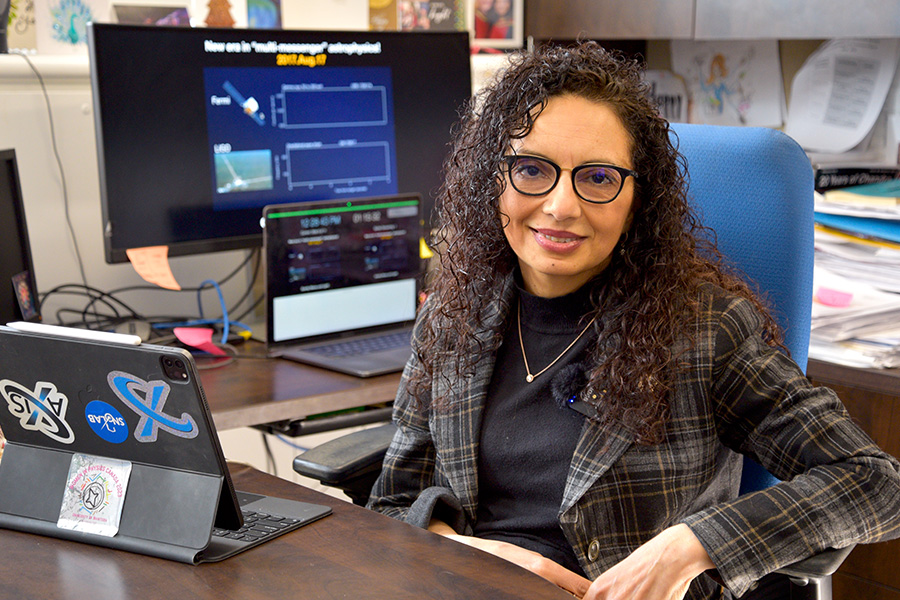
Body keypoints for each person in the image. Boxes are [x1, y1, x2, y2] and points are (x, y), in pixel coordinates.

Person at [366, 42, 900, 600]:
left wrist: (693, 546)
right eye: (530, 169)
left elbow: (873, 480)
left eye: (597, 178)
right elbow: (394, 498)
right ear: (492, 180)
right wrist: (475, 552)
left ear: (637, 197)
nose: (561, 206)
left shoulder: (703, 328)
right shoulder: (454, 316)